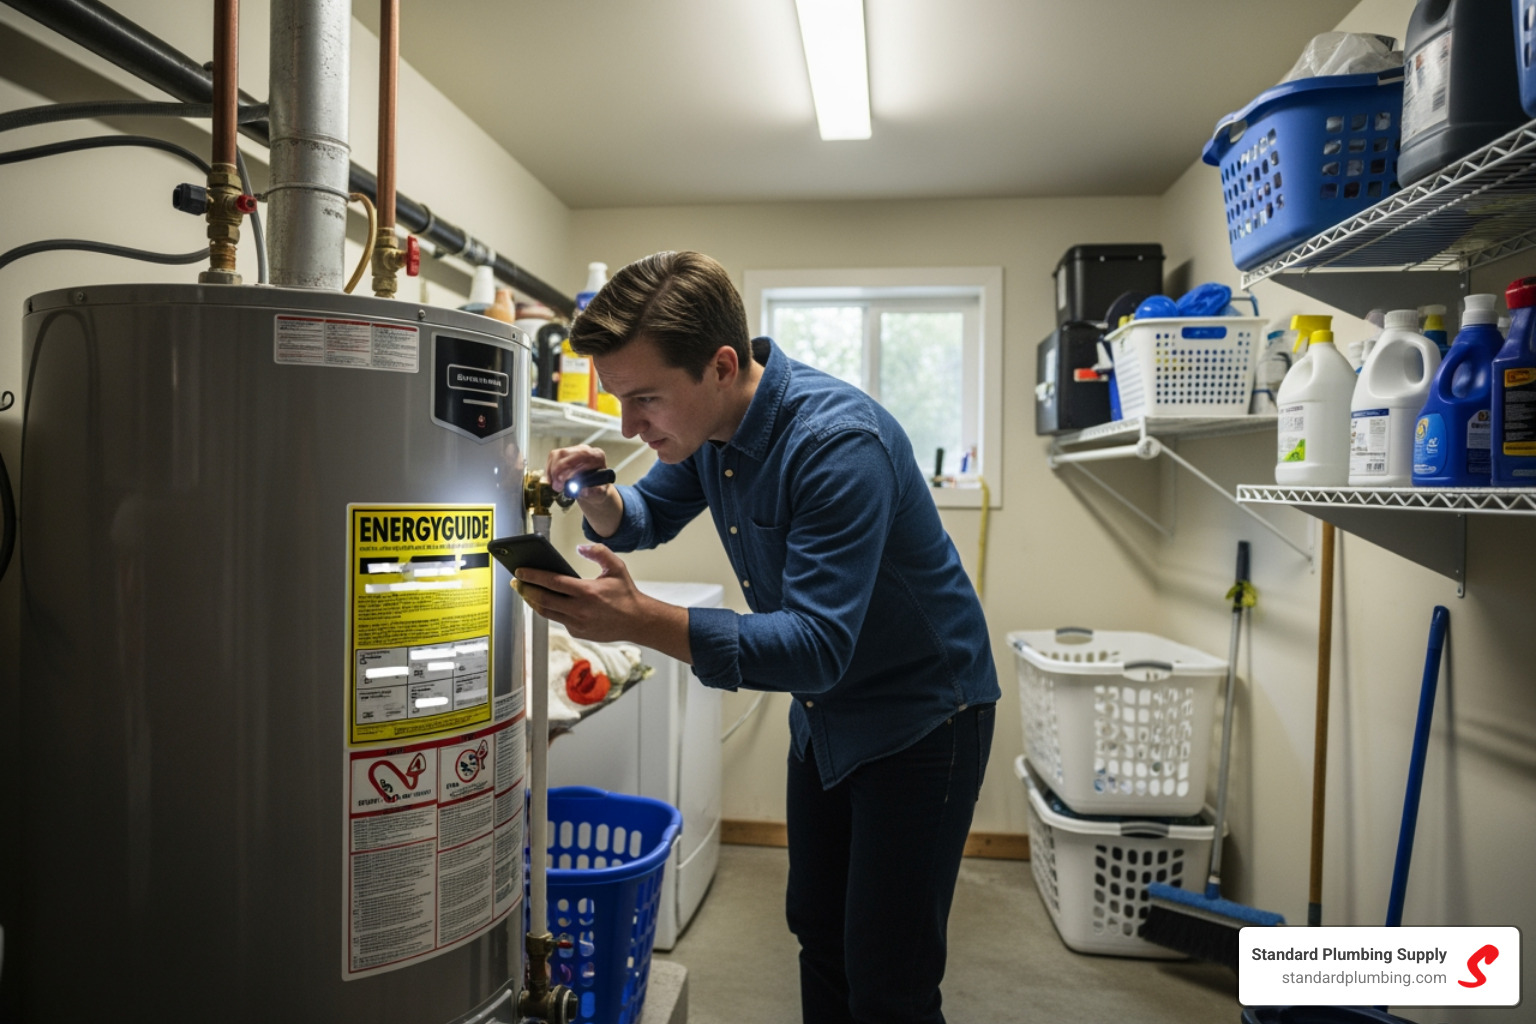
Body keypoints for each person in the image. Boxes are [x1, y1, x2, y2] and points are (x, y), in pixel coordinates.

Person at [516, 250, 998, 1024]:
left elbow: (813, 645)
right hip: (827, 714)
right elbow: (643, 519)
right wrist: (598, 495)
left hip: (924, 715)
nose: (629, 425)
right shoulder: (712, 430)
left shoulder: (837, 444)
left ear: (720, 364)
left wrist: (639, 621)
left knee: (889, 974)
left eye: (645, 399)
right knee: (818, 930)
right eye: (619, 400)